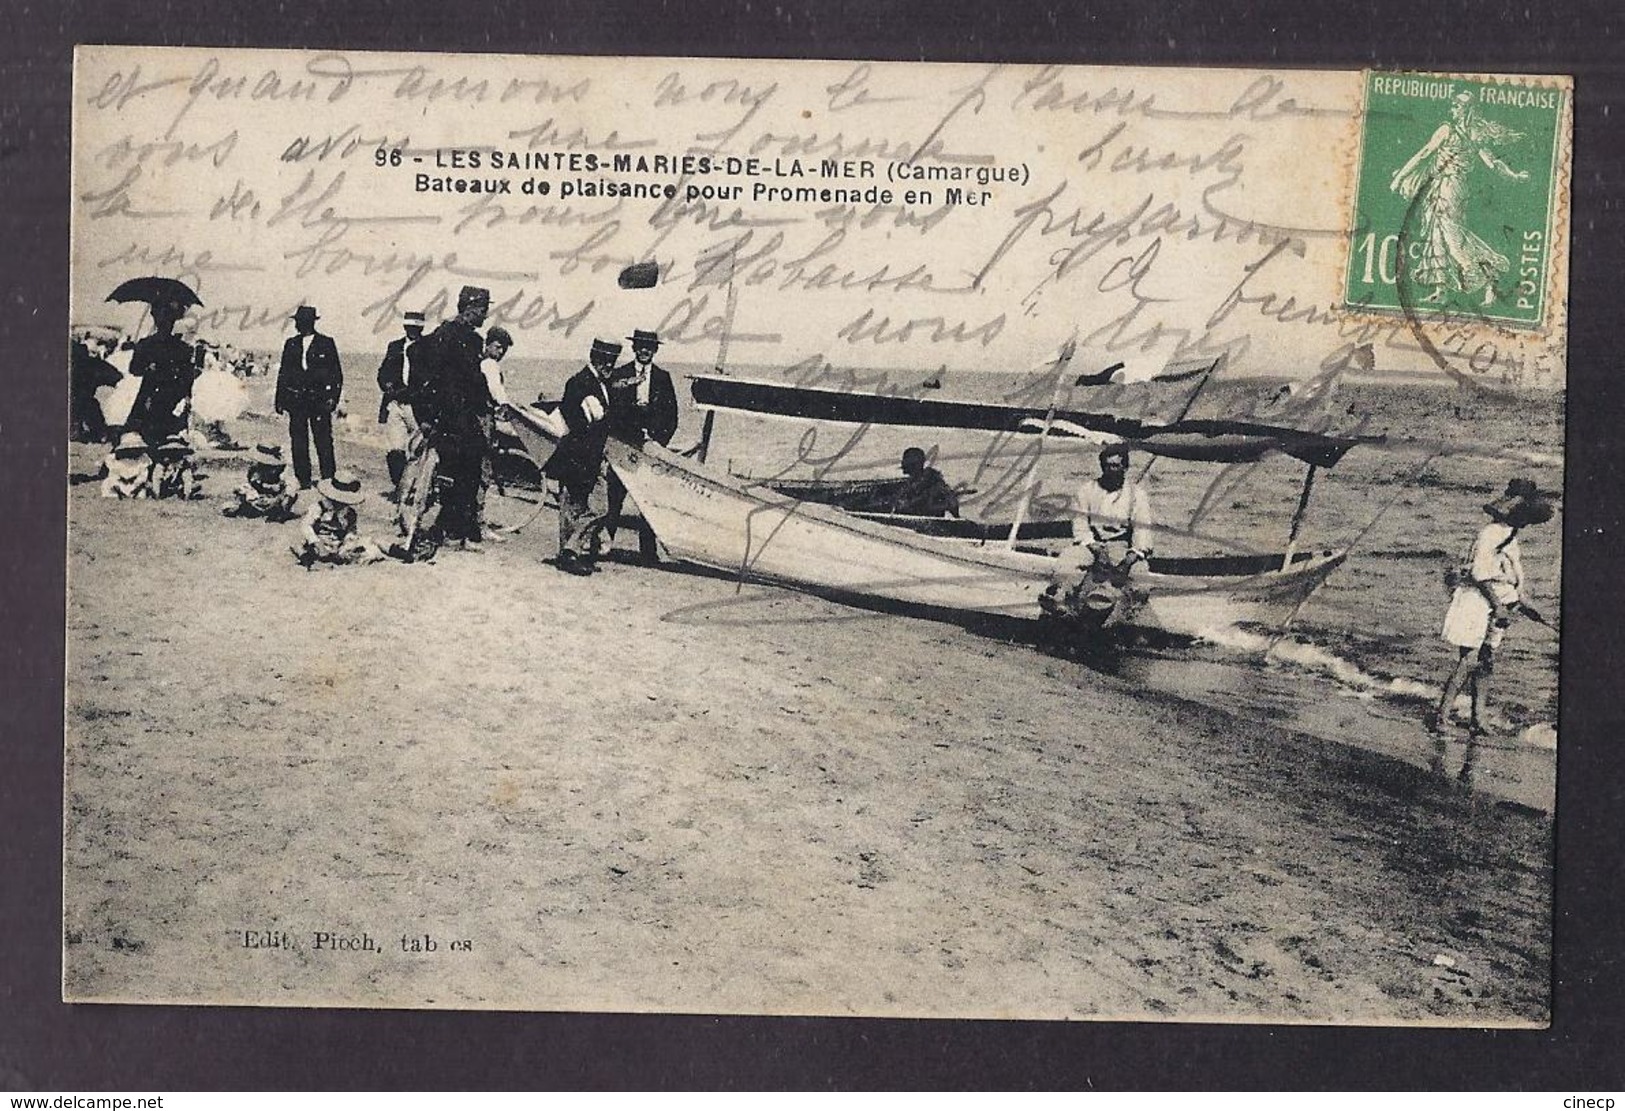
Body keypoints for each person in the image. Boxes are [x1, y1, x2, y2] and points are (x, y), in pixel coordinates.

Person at [1429, 479, 1553, 737]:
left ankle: (1479, 718)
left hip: (1498, 605)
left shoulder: (1510, 536)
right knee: (1469, 659)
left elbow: (1508, 580)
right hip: (1477, 600)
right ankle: (1441, 716)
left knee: (1486, 661)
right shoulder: (1491, 533)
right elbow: (1480, 574)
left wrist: (1526, 606)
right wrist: (1498, 606)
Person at [1389, 91, 1529, 308]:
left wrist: (1400, 177)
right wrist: (1514, 175)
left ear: (1467, 110)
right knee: (1438, 233)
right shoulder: (1473, 134)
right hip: (1447, 187)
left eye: (1456, 106)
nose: (1452, 110)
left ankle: (1481, 270)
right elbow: (1493, 163)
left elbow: (1424, 154)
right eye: (1452, 106)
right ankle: (1443, 289)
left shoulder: (1450, 130)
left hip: (1449, 187)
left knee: (1452, 234)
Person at [409, 286, 492, 549]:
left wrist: (424, 414)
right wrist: (426, 415)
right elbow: (467, 380)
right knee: (459, 475)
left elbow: (472, 382)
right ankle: (450, 530)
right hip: (453, 418)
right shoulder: (456, 338)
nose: (486, 315)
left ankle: (453, 529)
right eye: (483, 309)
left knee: (462, 473)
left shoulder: (454, 337)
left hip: (454, 418)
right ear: (471, 308)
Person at [1041, 446, 1156, 628]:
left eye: (1116, 466)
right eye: (1107, 466)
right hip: (1091, 543)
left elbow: (1142, 530)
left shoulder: (1137, 494)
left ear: (1125, 467)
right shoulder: (1087, 489)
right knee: (1067, 561)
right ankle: (1059, 601)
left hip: (1120, 545)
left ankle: (1125, 618)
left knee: (1140, 580)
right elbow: (1079, 523)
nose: (1111, 470)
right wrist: (1094, 546)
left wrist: (1129, 559)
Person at [545, 338, 621, 575]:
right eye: (605, 360)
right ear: (594, 358)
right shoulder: (579, 382)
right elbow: (574, 420)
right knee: (575, 507)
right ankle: (568, 554)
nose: (608, 365)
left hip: (591, 456)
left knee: (596, 507)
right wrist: (595, 419)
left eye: (612, 360)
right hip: (579, 456)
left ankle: (569, 551)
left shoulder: (599, 383)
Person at [604, 328, 679, 561]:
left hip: (651, 449)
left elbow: (672, 417)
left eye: (650, 346)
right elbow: (611, 413)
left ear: (655, 350)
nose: (645, 350)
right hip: (624, 447)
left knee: (650, 500)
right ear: (634, 348)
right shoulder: (619, 375)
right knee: (614, 498)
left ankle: (648, 552)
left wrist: (658, 442)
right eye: (641, 345)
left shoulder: (663, 378)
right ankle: (604, 545)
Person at [274, 305, 343, 489]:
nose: (298, 324)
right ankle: (303, 479)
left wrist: (332, 399)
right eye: (297, 321)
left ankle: (328, 479)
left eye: (301, 321)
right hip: (297, 401)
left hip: (319, 401)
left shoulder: (326, 343)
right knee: (298, 439)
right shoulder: (291, 343)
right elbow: (284, 373)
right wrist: (280, 400)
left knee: (323, 440)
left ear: (311, 322)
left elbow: (336, 374)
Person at [125, 297, 199, 447]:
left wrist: (148, 369)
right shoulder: (183, 348)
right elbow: (188, 379)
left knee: (148, 441)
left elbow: (134, 369)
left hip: (153, 398)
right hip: (166, 398)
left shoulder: (146, 344)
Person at [376, 309, 425, 499]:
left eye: (416, 327)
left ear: (421, 328)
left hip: (417, 406)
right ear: (404, 327)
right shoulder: (394, 347)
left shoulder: (428, 347)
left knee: (418, 450)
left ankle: (417, 489)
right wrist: (387, 385)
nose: (412, 330)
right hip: (395, 403)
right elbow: (382, 372)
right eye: (409, 326)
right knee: (395, 449)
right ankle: (400, 487)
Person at [290, 470, 384, 568]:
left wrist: (348, 542)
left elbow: (351, 531)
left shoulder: (349, 513)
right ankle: (307, 558)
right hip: (320, 541)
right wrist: (317, 542)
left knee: (366, 546)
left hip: (338, 544)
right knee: (300, 544)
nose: (340, 504)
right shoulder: (319, 507)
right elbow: (306, 525)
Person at [221, 443, 298, 521]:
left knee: (286, 497)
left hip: (275, 497)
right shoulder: (256, 471)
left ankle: (279, 511)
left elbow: (289, 486)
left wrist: (279, 495)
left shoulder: (282, 473)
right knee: (245, 496)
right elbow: (252, 484)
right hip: (258, 496)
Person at [70, 335, 122, 442]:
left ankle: (76, 428)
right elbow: (115, 376)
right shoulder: (90, 363)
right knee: (89, 404)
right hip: (81, 402)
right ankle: (98, 432)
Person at [887, 447, 960, 517]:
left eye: (905, 462)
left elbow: (950, 503)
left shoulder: (932, 483)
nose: (903, 464)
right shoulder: (912, 482)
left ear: (913, 465)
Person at [99, 431, 153, 499]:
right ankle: (118, 494)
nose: (132, 451)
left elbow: (143, 475)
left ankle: (133, 494)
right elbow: (113, 474)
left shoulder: (143, 460)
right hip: (120, 483)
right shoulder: (116, 460)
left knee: (142, 493)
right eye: (129, 449)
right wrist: (119, 480)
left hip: (135, 484)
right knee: (107, 484)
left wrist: (137, 483)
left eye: (135, 449)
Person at [150, 434, 202, 499]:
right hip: (165, 486)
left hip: (179, 486)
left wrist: (187, 494)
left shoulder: (184, 464)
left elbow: (188, 479)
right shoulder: (161, 464)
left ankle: (182, 494)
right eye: (170, 451)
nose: (174, 454)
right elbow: (156, 478)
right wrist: (157, 494)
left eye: (176, 452)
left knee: (195, 485)